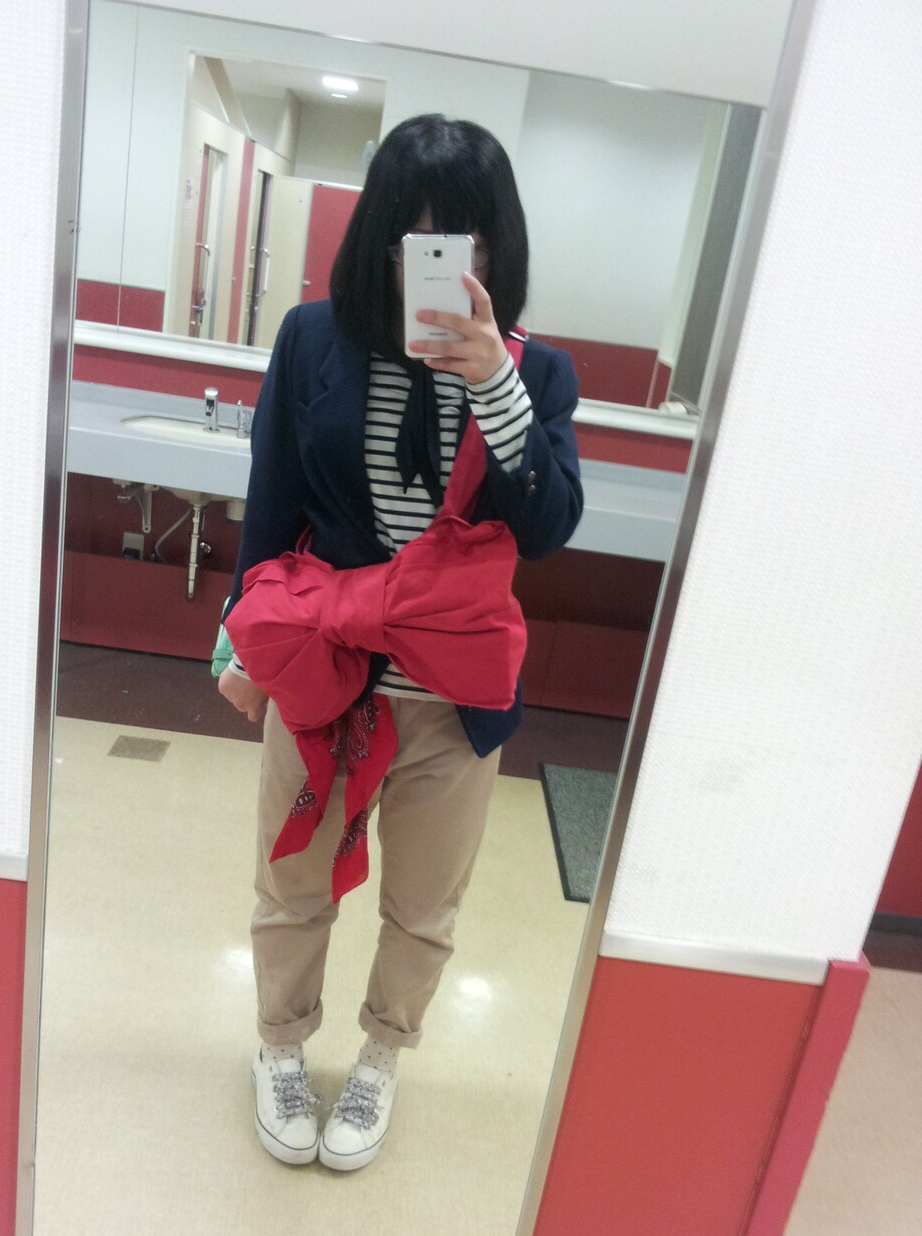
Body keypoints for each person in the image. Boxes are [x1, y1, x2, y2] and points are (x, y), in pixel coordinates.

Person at [218, 113, 583, 1171]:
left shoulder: (535, 373)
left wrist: (494, 385)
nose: (442, 264)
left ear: (497, 250)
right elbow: (272, 500)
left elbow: (548, 527)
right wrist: (240, 646)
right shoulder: (312, 340)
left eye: (466, 241)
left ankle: (382, 1055)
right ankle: (280, 1046)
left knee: (423, 907)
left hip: (453, 696)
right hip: (323, 668)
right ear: (379, 237)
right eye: (417, 241)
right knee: (292, 883)